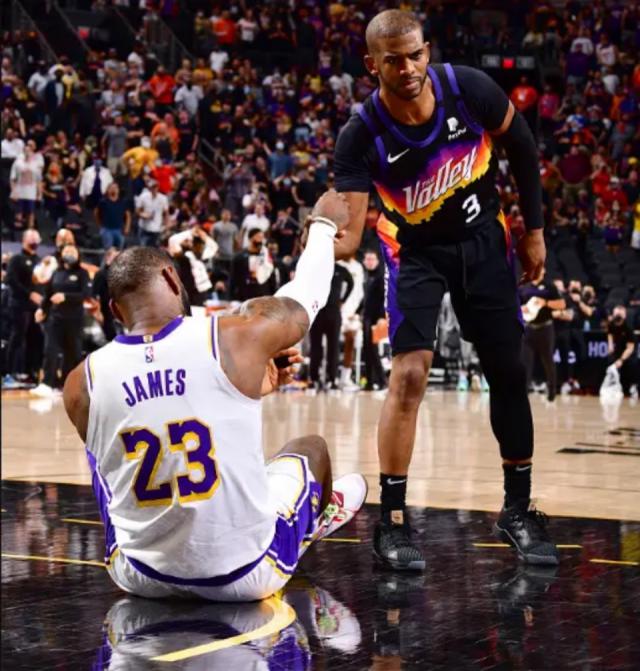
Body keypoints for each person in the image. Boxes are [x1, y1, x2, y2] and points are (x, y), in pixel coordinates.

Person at [332, 10, 558, 569]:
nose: (407, 68)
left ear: (427, 50)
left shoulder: (469, 89)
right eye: (393, 60)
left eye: (415, 55)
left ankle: (518, 510)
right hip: (414, 253)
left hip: (485, 242)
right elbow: (350, 236)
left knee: (508, 371)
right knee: (409, 376)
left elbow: (523, 146)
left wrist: (534, 232)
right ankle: (393, 521)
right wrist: (320, 231)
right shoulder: (360, 134)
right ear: (372, 65)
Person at [62, 190, 368, 602]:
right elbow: (304, 298)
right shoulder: (229, 336)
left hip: (138, 576)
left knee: (105, 454)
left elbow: (150, 420)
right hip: (244, 575)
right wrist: (323, 226)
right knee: (310, 448)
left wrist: (241, 391)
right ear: (173, 279)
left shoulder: (80, 381)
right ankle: (309, 523)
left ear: (116, 311)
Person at [33, 244, 90, 397]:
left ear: (78, 254)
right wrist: (42, 309)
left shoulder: (82, 273)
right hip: (55, 318)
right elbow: (48, 294)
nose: (69, 253)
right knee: (50, 350)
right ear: (61, 254)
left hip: (74, 320)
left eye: (72, 251)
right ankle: (47, 384)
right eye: (66, 251)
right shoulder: (57, 272)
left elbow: (85, 294)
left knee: (72, 353)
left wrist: (65, 297)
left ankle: (68, 385)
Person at [3, 230, 43, 387]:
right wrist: (29, 294)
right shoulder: (17, 259)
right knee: (17, 338)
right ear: (24, 240)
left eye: (37, 238)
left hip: (35, 307)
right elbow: (10, 280)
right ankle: (7, 374)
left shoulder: (38, 260)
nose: (35, 240)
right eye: (31, 237)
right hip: (18, 305)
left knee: (35, 339)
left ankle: (29, 373)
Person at [520, 269, 566, 401]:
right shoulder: (525, 287)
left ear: (543, 271)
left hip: (545, 328)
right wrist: (521, 308)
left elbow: (562, 304)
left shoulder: (549, 286)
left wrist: (545, 302)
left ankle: (552, 390)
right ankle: (523, 392)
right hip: (529, 328)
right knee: (525, 361)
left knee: (548, 360)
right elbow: (516, 304)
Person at [309, 263, 354, 391]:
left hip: (334, 312)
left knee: (333, 347)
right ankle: (314, 379)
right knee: (315, 347)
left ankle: (332, 379)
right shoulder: (315, 267)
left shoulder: (341, 269)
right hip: (317, 312)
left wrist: (343, 300)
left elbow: (351, 284)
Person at [362, 249, 387, 391]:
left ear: (377, 261)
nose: (370, 262)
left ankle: (382, 380)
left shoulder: (380, 277)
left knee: (372, 350)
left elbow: (384, 299)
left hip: (376, 319)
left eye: (372, 259)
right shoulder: (367, 277)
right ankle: (370, 382)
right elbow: (366, 300)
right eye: (368, 259)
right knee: (367, 350)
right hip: (366, 317)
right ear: (364, 261)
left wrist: (381, 317)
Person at [606, 305, 638, 397]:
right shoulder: (611, 324)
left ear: (624, 316)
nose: (617, 316)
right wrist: (610, 345)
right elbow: (610, 334)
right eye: (616, 314)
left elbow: (630, 348)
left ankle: (633, 387)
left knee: (632, 364)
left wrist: (621, 360)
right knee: (609, 362)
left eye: (620, 314)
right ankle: (612, 387)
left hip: (629, 353)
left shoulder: (628, 328)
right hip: (617, 351)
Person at [135, 179, 169, 247]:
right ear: (149, 188)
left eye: (155, 187)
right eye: (152, 187)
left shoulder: (163, 198)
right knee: (143, 248)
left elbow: (166, 213)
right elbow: (137, 211)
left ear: (158, 187)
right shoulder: (143, 196)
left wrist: (166, 225)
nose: (154, 189)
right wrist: (143, 215)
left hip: (156, 229)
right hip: (144, 227)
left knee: (154, 249)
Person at [96, 183, 131, 250]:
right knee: (109, 250)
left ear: (118, 190)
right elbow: (96, 213)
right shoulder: (103, 202)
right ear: (108, 190)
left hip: (119, 230)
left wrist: (127, 227)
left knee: (120, 250)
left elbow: (128, 215)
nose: (113, 189)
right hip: (107, 230)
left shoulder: (123, 202)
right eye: (111, 188)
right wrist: (100, 225)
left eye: (115, 188)